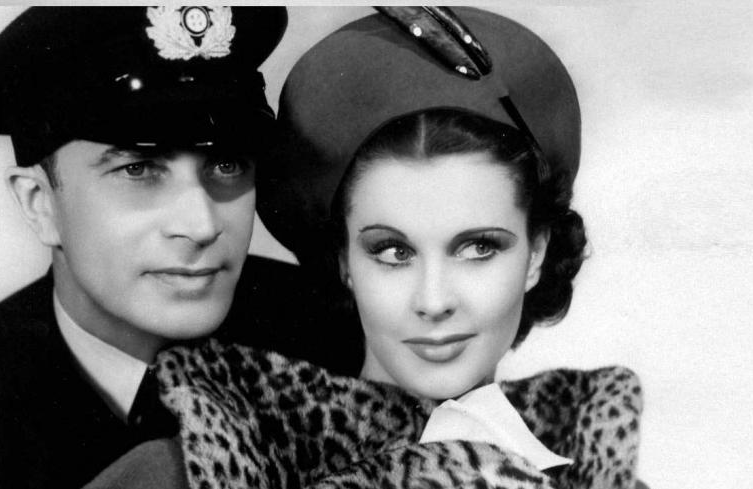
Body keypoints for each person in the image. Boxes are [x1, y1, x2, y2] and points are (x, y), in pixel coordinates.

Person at [85, 7, 644, 489]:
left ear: (537, 253)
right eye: (393, 252)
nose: (433, 301)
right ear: (344, 262)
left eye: (478, 248)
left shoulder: (591, 476)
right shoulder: (181, 474)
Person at [0, 7, 345, 489]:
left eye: (227, 164)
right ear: (40, 203)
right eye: (138, 170)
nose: (201, 225)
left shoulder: (341, 338)